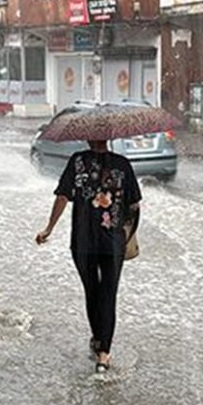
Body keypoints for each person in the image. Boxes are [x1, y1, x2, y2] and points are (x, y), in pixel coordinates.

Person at [36, 140, 141, 373]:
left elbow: (62, 197)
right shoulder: (123, 165)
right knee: (108, 293)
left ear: (88, 137)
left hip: (83, 241)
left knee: (92, 291)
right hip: (113, 243)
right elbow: (134, 207)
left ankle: (98, 341)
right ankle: (104, 352)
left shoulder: (78, 161)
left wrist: (49, 228)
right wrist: (126, 235)